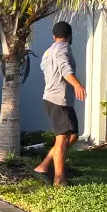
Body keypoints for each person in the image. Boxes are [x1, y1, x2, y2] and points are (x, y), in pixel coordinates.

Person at [33, 20, 86, 187]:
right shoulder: (63, 48)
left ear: (53, 36)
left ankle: (44, 165)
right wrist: (76, 84)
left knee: (72, 135)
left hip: (52, 98)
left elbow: (43, 67)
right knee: (63, 138)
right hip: (58, 99)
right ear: (69, 36)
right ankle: (59, 179)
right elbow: (65, 68)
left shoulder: (48, 52)